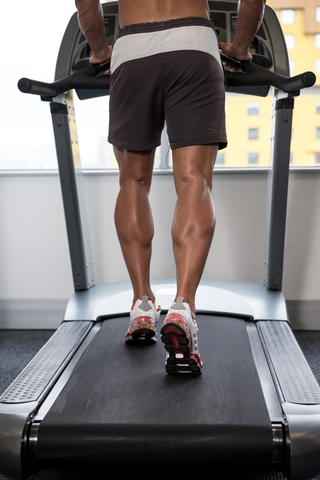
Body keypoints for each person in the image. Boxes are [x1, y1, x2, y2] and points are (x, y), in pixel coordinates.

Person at [74, 0, 266, 374]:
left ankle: (142, 305)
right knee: (194, 178)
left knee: (132, 181)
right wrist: (241, 47)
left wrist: (99, 51)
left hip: (131, 49)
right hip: (193, 41)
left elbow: (85, 2)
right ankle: (183, 307)